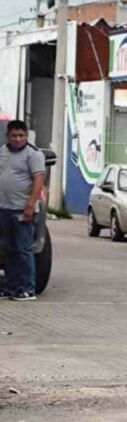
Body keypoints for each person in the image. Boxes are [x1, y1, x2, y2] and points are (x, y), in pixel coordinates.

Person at [0, 120, 46, 302]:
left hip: (22, 209)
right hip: (4, 208)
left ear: (26, 136)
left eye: (21, 135)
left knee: (23, 250)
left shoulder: (34, 155)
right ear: (7, 137)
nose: (17, 139)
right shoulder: (2, 152)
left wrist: (30, 205)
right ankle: (11, 287)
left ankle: (27, 289)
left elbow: (38, 180)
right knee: (9, 249)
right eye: (14, 135)